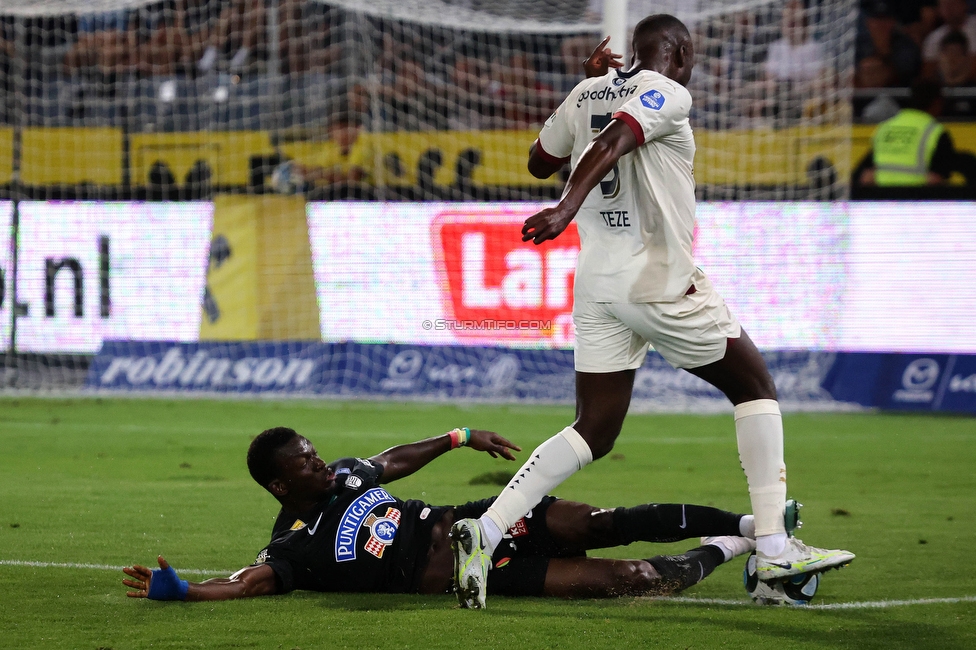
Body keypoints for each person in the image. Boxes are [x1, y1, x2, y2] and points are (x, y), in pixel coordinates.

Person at [450, 13, 854, 610]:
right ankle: (772, 547)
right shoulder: (669, 91)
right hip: (658, 280)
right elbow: (617, 141)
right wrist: (565, 208)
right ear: (682, 52)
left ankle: (485, 531)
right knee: (755, 387)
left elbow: (538, 159)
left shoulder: (588, 90)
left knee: (595, 428)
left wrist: (584, 96)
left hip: (598, 285)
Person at [122, 426, 761, 602]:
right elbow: (250, 580)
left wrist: (458, 437)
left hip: (481, 521)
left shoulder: (347, 474)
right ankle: (733, 550)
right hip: (474, 575)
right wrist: (187, 593)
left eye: (315, 455)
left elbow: (392, 462)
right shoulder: (295, 543)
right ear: (277, 485)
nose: (320, 466)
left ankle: (754, 527)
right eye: (305, 464)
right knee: (633, 582)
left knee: (601, 523)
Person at [854, 79, 976, 186]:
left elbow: (864, 176)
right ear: (937, 103)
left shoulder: (885, 127)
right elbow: (936, 179)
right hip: (918, 203)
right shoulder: (935, 132)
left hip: (884, 203)